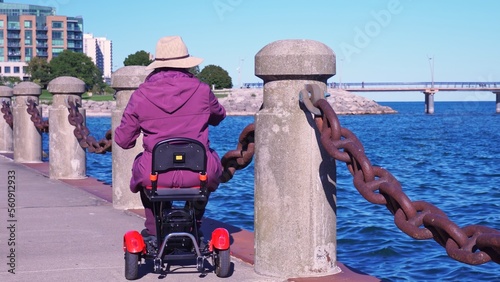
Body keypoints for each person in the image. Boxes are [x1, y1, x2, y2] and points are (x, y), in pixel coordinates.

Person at [114, 36, 226, 239]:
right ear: (186, 64)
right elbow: (219, 116)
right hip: (198, 171)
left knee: (144, 167)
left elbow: (124, 140)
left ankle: (154, 229)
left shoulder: (140, 95)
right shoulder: (202, 90)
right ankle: (194, 223)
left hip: (155, 174)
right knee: (210, 163)